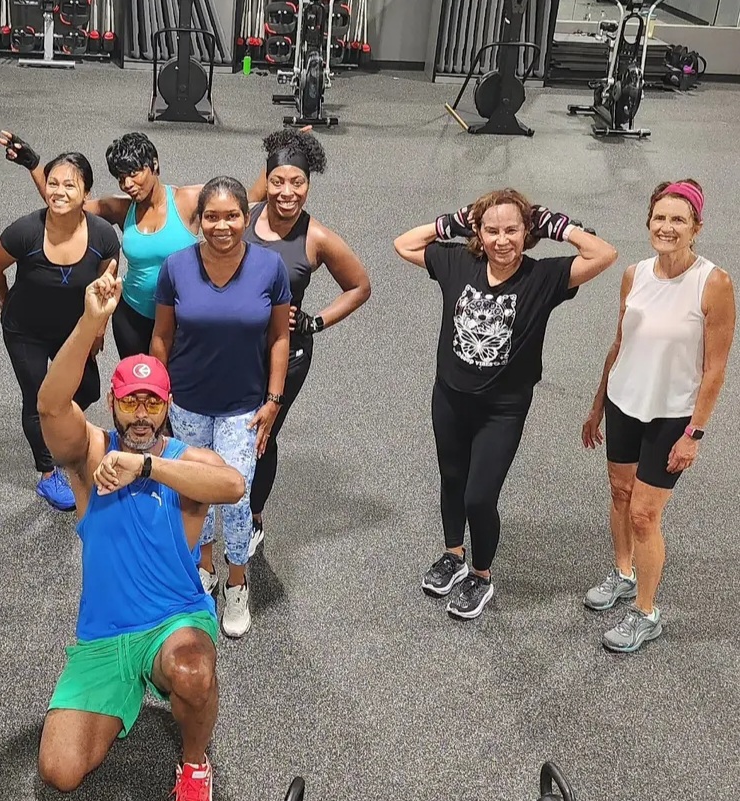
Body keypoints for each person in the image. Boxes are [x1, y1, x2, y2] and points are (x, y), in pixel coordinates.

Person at [36, 263, 246, 801]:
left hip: (173, 622)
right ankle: (128, 687)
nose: (143, 414)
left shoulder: (181, 461)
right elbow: (51, 406)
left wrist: (148, 466)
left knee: (193, 670)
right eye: (133, 403)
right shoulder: (88, 457)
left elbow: (233, 486)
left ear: (167, 404)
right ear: (114, 403)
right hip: (104, 637)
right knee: (60, 772)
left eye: (154, 402)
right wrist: (89, 323)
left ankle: (195, 764)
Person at [394, 190, 618, 619]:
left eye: (512, 229)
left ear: (527, 232)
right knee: (452, 479)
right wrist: (451, 223)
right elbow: (404, 243)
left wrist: (557, 225)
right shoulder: (459, 262)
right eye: (491, 230)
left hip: (503, 408)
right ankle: (453, 555)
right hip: (450, 397)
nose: (502, 240)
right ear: (477, 232)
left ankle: (481, 574)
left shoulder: (543, 277)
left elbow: (604, 254)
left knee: (480, 496)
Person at [581, 179, 734, 653]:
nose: (666, 227)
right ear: (649, 222)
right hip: (626, 403)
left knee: (646, 515)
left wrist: (694, 434)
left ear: (696, 228)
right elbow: (620, 343)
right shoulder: (635, 274)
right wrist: (597, 405)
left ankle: (646, 613)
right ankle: (623, 573)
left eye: (678, 220)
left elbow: (715, 370)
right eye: (660, 218)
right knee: (620, 493)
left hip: (671, 416)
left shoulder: (714, 283)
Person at [150, 177, 291, 638]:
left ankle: (236, 582)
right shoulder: (176, 266)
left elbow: (279, 338)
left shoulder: (270, 268)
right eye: (211, 216)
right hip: (187, 401)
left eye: (232, 215)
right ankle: (202, 570)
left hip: (244, 406)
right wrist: (157, 393)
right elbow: (162, 336)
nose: (222, 225)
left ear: (247, 216)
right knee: (190, 493)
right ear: (199, 220)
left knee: (233, 494)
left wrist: (273, 399)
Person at [243, 129, 372, 556]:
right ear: (266, 180)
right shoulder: (242, 216)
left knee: (263, 434)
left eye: (297, 183)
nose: (287, 192)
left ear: (309, 184)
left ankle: (254, 515)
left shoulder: (316, 237)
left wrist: (315, 322)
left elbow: (359, 286)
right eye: (278, 181)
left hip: (287, 352)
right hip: (234, 346)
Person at [0, 151, 120, 512]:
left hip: (73, 332)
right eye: (53, 183)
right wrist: (4, 298)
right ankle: (47, 472)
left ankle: (62, 428)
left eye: (69, 185)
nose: (58, 191)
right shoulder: (26, 230)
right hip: (24, 329)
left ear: (86, 192)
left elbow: (107, 285)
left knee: (88, 389)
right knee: (38, 398)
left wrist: (98, 329)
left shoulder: (102, 235)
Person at [0, 129, 201, 358]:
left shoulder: (189, 200)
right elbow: (65, 204)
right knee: (134, 391)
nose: (128, 184)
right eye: (121, 178)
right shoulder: (121, 208)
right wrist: (33, 165)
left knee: (181, 388)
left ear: (154, 165)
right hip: (132, 316)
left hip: (182, 316)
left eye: (134, 173)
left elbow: (243, 207)